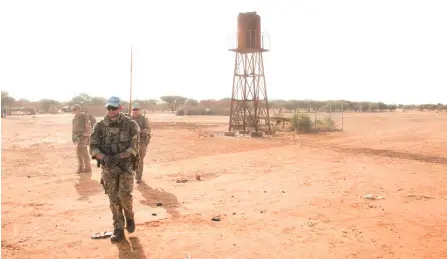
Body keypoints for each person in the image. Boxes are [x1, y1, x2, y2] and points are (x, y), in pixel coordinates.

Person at [89, 96, 140, 242]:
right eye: (109, 108)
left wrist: (120, 156)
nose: (111, 111)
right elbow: (92, 147)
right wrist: (104, 158)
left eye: (114, 108)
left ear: (120, 108)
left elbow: (134, 146)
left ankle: (129, 217)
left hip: (125, 165)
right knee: (113, 197)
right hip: (108, 166)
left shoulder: (131, 124)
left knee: (125, 195)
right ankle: (118, 228)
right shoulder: (99, 126)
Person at [131, 103, 151, 183]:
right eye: (134, 109)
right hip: (131, 142)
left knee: (139, 159)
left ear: (140, 110)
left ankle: (138, 177)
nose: (135, 111)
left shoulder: (144, 119)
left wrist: (141, 131)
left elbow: (148, 129)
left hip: (141, 141)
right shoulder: (129, 119)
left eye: (136, 109)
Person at [72, 104, 93, 173]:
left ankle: (80, 167)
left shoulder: (84, 116)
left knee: (79, 151)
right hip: (78, 136)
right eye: (73, 110)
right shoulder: (74, 118)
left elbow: (88, 126)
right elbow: (73, 128)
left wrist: (86, 134)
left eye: (76, 109)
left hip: (84, 136)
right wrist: (73, 136)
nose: (74, 111)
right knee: (84, 152)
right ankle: (88, 168)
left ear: (79, 109)